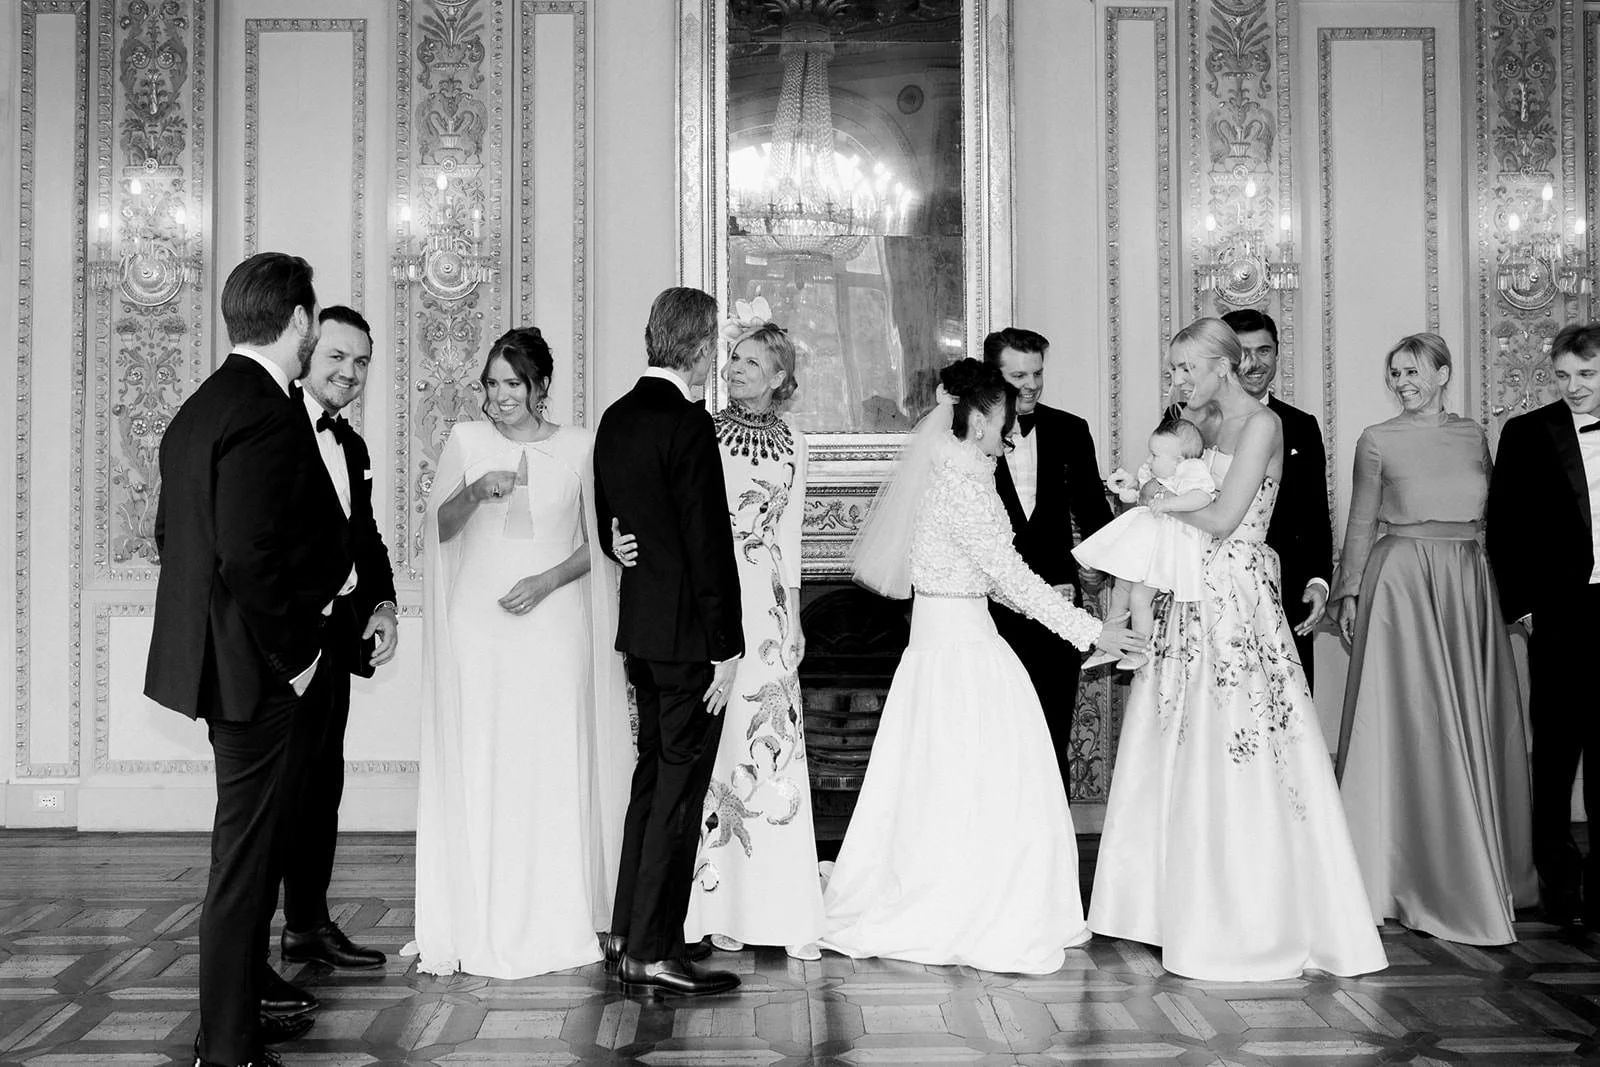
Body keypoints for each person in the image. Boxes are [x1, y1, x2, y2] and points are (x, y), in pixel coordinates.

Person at [821, 359, 1144, 974]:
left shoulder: (955, 477)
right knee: (974, 776)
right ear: (973, 422)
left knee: (950, 777)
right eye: (1001, 421)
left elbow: (992, 579)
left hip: (949, 643)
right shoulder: (961, 488)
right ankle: (969, 902)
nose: (1010, 434)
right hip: (962, 651)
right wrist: (1089, 628)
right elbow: (1008, 578)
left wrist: (1085, 626)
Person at [1089, 318, 1386, 981]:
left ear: (1223, 365)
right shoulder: (1197, 424)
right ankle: (1166, 907)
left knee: (1239, 743)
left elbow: (1226, 518)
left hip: (1237, 601)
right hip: (1189, 597)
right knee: (1173, 739)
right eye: (1174, 371)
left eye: (1187, 369)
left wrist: (1155, 503)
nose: (1178, 382)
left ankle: (1249, 912)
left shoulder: (1263, 427)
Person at [145, 253, 351, 1067]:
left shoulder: (200, 405)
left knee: (248, 852)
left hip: (215, 659)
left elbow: (171, 538)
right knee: (241, 862)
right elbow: (248, 555)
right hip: (257, 668)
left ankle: (232, 1022)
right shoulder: (267, 409)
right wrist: (294, 655)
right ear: (298, 321)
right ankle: (226, 1046)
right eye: (314, 326)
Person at [407, 326, 631, 978]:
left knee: (550, 758)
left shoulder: (581, 446)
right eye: (491, 383)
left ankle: (555, 911)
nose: (499, 396)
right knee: (483, 756)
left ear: (539, 386)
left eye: (512, 384)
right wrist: (472, 493)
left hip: (554, 626)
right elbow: (437, 532)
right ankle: (478, 910)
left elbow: (602, 541)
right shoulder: (466, 442)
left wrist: (547, 580)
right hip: (477, 628)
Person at [614, 300, 825, 961]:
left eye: (752, 361)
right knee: (711, 760)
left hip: (762, 618)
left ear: (780, 376)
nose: (734, 367)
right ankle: (712, 907)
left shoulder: (797, 446)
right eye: (731, 355)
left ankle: (778, 905)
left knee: (772, 749)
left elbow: (786, 544)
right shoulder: (695, 426)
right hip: (704, 615)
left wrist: (792, 623)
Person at [1330, 333, 1534, 945]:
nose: (1402, 382)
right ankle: (1391, 870)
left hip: (1468, 579)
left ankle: (1476, 864)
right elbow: (1361, 520)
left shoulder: (1474, 434)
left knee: (1470, 721)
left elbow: (1499, 518)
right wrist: (1350, 592)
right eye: (1394, 373)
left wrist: (1512, 595)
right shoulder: (1377, 438)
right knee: (1407, 723)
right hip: (1401, 585)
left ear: (1443, 373)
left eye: (1413, 371)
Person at [593, 287, 744, 996]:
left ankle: (628, 929)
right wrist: (728, 643)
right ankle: (653, 949)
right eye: (715, 342)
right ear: (701, 345)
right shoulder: (686, 424)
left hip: (642, 636)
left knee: (651, 781)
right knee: (677, 793)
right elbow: (706, 540)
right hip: (689, 642)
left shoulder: (617, 417)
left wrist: (617, 545)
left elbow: (609, 525)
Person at [276, 306, 399, 977]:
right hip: (281, 645)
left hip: (334, 640)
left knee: (322, 784)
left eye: (361, 363)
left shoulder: (350, 446)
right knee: (278, 794)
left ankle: (307, 924)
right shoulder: (272, 429)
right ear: (307, 353)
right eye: (337, 358)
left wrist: (381, 605)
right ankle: (248, 958)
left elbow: (364, 539)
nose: (350, 373)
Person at [1488, 322, 1600, 933]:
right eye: (1563, 376)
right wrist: (1525, 609)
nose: (1573, 387)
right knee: (1555, 752)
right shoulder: (1527, 433)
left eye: (1587, 375)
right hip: (1560, 612)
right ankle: (1559, 886)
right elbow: (1505, 526)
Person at [1169, 310, 1332, 687]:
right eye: (1244, 351)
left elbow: (1314, 510)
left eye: (1264, 350)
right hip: (1191, 576)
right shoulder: (1186, 417)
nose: (1253, 362)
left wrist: (1319, 579)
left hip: (1274, 583)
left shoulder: (1295, 424)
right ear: (1227, 359)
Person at [984, 328, 1114, 791]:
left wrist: (1095, 568)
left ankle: (1052, 848)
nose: (1032, 384)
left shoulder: (1070, 429)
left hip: (1059, 605)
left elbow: (1094, 514)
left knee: (1051, 732)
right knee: (996, 736)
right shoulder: (969, 438)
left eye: (1038, 372)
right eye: (1019, 374)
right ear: (993, 376)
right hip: (990, 615)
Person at [1074, 416, 1217, 670]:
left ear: (1180, 461)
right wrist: (1129, 488)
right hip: (1140, 546)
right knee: (1119, 592)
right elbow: (1142, 493)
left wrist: (1169, 503)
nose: (1149, 461)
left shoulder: (1189, 474)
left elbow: (1201, 497)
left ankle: (1139, 649)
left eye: (1155, 455)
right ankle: (1110, 641)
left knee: (1140, 598)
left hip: (1160, 552)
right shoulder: (1157, 476)